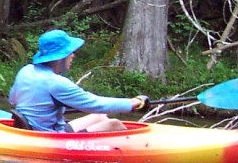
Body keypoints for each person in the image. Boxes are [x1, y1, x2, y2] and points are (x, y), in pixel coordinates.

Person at [9, 29, 148, 133]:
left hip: (31, 130)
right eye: (70, 52)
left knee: (100, 117)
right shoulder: (56, 83)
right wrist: (133, 103)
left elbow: (13, 100)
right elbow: (97, 104)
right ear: (60, 58)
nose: (73, 56)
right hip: (49, 137)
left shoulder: (26, 70)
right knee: (114, 124)